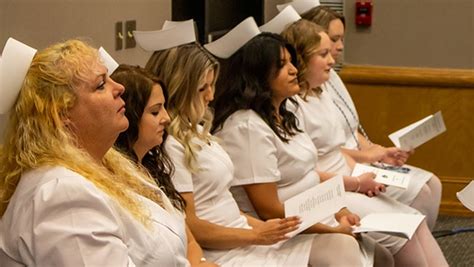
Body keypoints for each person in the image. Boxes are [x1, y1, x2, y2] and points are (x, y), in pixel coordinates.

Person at [145, 38, 367, 266]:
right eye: (203, 88)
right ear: (180, 89)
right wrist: (258, 235)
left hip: (248, 232)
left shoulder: (199, 131)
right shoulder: (173, 145)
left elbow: (227, 205)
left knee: (343, 245)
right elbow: (192, 225)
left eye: (212, 86)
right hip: (225, 248)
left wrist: (268, 231)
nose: (211, 96)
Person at [0, 39, 189, 266]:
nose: (119, 88)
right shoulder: (63, 195)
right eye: (101, 85)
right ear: (62, 113)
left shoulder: (104, 162)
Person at [279, 19, 448, 266]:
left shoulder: (320, 92)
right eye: (323, 54)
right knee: (403, 231)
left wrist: (369, 165)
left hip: (347, 177)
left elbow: (336, 151)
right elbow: (307, 171)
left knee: (414, 220)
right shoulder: (293, 107)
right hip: (330, 190)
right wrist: (356, 182)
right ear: (302, 59)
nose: (332, 60)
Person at [301, 6, 442, 230]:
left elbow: (350, 128)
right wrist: (367, 157)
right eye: (333, 41)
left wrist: (377, 150)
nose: (339, 48)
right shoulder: (301, 97)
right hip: (343, 170)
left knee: (433, 183)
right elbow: (325, 151)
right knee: (421, 194)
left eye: (340, 40)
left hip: (355, 161)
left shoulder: (331, 79)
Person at [111, 64, 217, 266]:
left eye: (164, 108)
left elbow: (189, 240)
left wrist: (201, 263)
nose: (167, 118)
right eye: (155, 112)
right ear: (129, 117)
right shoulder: (113, 183)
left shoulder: (152, 169)